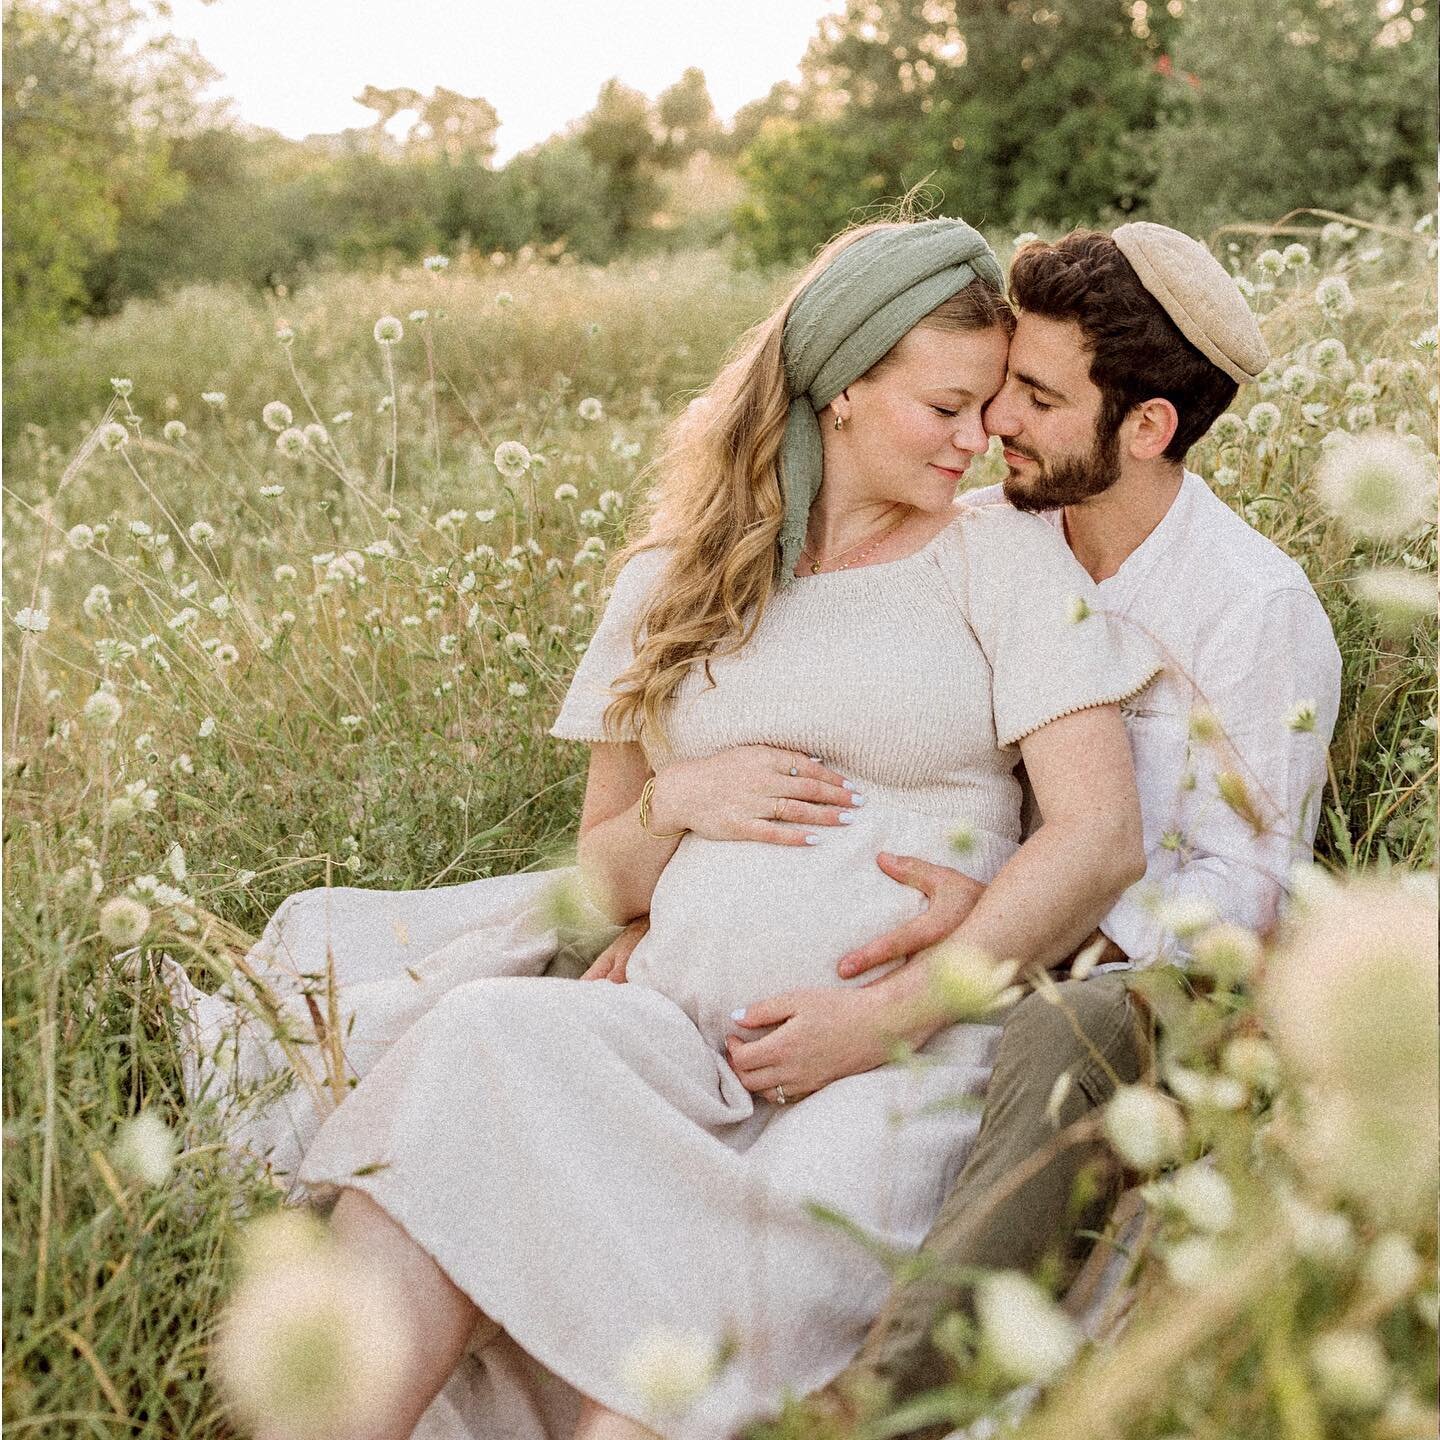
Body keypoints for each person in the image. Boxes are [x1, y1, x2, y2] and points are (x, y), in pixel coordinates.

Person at [170, 217, 1162, 1440]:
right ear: (842, 392)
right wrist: (674, 802)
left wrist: (880, 1019)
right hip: (677, 1040)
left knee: (696, 1340)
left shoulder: (999, 557)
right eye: (947, 407)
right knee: (476, 1051)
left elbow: (1099, 834)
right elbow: (599, 877)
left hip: (898, 1057)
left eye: (992, 409)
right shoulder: (673, 579)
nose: (979, 441)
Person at [703, 222, 1338, 1425]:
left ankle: (901, 1392)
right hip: (983, 902)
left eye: (1038, 399)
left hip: (1158, 968)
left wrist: (1018, 925)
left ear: (1146, 428)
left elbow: (1246, 885)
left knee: (1080, 1027)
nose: (996, 424)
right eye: (1001, 389)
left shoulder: (1253, 611)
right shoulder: (1001, 528)